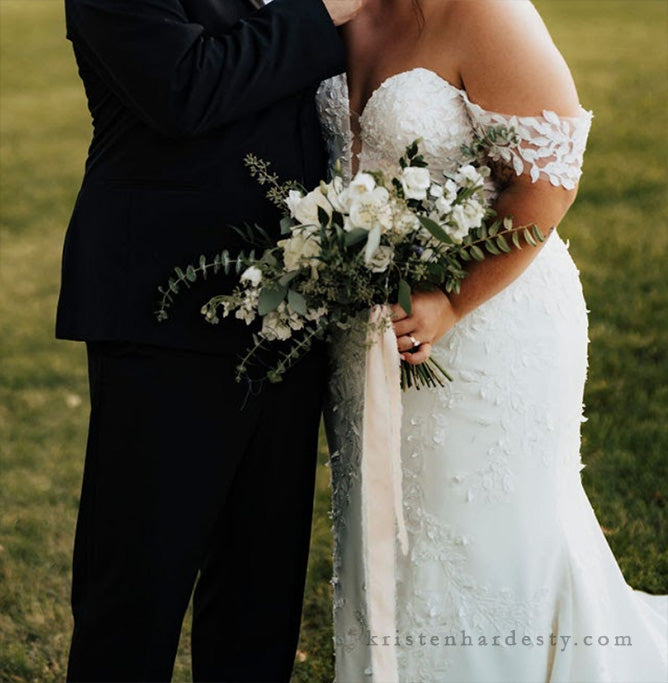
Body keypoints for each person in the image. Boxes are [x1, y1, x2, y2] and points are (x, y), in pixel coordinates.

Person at [317, 0, 668, 680]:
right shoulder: (332, 12)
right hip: (367, 336)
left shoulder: (484, 12)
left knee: (483, 538)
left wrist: (451, 298)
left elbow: (549, 183)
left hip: (487, 327)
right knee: (383, 540)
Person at [56, 1, 361, 680]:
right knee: (136, 592)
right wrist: (322, 12)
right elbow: (184, 88)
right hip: (164, 307)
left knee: (261, 590)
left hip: (293, 295)